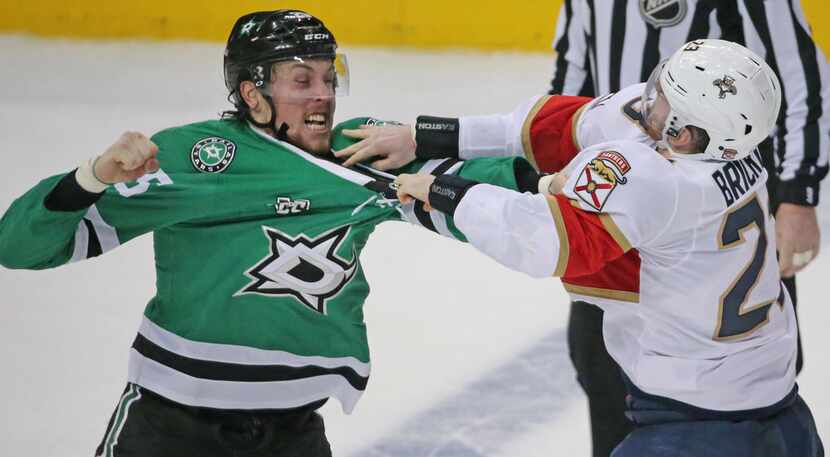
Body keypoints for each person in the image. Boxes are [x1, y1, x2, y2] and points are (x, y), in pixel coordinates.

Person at [0, 10, 539, 457]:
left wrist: (564, 181)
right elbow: (19, 246)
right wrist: (90, 178)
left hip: (293, 433)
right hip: (171, 431)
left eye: (329, 78)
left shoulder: (361, 150)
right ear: (253, 95)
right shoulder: (197, 157)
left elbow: (485, 189)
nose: (323, 95)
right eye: (302, 81)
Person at [393, 39, 824, 457]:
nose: (646, 103)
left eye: (663, 102)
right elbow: (559, 126)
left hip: (695, 425)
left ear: (687, 134)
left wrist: (447, 191)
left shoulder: (661, 182)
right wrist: (426, 135)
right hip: (783, 414)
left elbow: (546, 240)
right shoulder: (732, 149)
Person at [548, 2, 829, 453]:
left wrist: (797, 194)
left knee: (744, 396)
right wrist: (563, 170)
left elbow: (800, 73)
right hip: (615, 208)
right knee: (601, 370)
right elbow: (572, 74)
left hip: (715, 216)